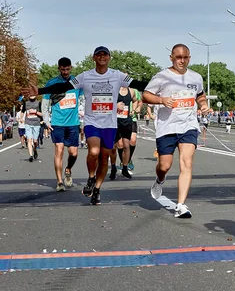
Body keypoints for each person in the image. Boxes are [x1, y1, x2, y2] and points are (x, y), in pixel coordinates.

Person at [22, 46, 148, 205]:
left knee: (104, 158)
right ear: (93, 58)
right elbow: (64, 87)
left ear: (109, 58)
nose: (102, 57)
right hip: (92, 122)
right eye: (98, 54)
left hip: (109, 124)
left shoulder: (117, 75)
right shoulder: (85, 76)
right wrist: (40, 90)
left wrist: (161, 85)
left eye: (105, 54)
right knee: (94, 152)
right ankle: (91, 178)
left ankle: (97, 189)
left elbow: (139, 84)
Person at [143, 44, 209, 219]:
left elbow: (200, 95)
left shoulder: (196, 77)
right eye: (178, 57)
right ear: (171, 57)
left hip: (188, 125)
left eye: (185, 57)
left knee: (186, 163)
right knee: (164, 165)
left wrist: (203, 105)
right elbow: (145, 95)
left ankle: (180, 205)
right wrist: (161, 100)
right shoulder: (162, 77)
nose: (182, 60)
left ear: (189, 58)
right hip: (167, 126)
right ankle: (160, 179)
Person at [41, 57, 83, 192]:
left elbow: (85, 96)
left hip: (73, 123)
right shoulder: (52, 83)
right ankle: (59, 181)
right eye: (63, 69)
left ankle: (68, 169)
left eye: (67, 69)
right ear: (59, 68)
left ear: (71, 68)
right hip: (57, 123)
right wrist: (46, 121)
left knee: (73, 153)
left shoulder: (76, 82)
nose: (65, 72)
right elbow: (45, 102)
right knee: (59, 150)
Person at [108, 86, 138, 180]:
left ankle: (125, 168)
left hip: (126, 122)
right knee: (113, 148)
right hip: (114, 122)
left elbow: (135, 100)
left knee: (126, 146)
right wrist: (115, 106)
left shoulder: (132, 91)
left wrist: (133, 109)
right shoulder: (114, 90)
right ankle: (113, 168)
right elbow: (106, 102)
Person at [22, 96, 43, 161]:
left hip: (36, 124)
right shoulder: (26, 103)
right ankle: (31, 156)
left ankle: (35, 150)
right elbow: (22, 112)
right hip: (28, 123)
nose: (31, 95)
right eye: (30, 94)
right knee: (29, 140)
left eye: (33, 94)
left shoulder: (39, 103)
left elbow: (42, 114)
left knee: (35, 141)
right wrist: (21, 118)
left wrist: (35, 112)